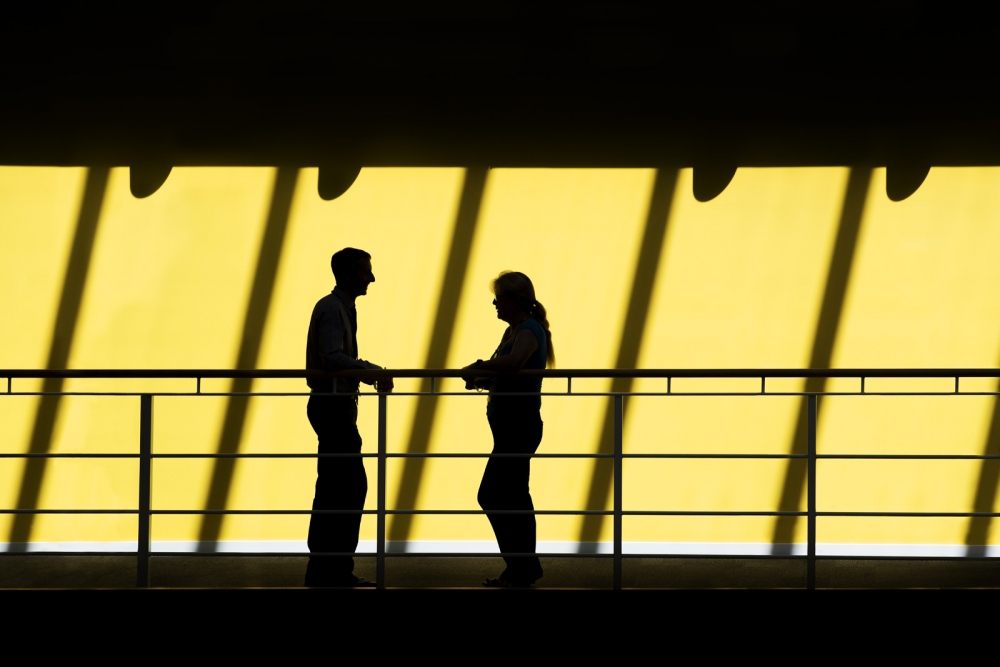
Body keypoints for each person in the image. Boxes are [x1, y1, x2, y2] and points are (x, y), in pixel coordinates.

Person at [304, 247, 393, 587]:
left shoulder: (337, 307)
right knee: (346, 487)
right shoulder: (333, 308)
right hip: (333, 405)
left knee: (336, 487)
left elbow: (330, 358)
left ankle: (328, 568)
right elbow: (331, 358)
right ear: (348, 274)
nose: (370, 277)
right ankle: (332, 569)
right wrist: (371, 371)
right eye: (364, 271)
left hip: (334, 404)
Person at [463, 271, 554, 587]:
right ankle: (522, 567)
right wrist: (485, 378)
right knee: (514, 496)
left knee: (492, 494)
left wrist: (478, 367)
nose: (494, 303)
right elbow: (511, 371)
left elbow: (515, 363)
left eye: (499, 297)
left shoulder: (528, 330)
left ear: (515, 300)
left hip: (519, 425)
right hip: (510, 427)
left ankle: (522, 566)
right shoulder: (514, 331)